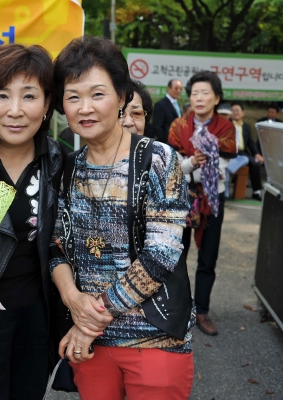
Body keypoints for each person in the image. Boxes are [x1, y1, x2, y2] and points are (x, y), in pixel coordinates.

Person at [51, 36, 193, 399]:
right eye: (73, 96)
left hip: (154, 340)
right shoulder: (66, 168)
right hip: (93, 346)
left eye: (97, 94)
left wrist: (91, 320)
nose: (85, 108)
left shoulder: (157, 159)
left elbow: (161, 253)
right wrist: (72, 301)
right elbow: (56, 248)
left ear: (122, 96)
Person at [0, 43, 64, 399]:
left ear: (48, 103)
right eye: (2, 96)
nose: (16, 111)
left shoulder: (61, 162)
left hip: (37, 316)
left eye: (29, 96)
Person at [168, 70, 236, 336]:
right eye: (194, 93)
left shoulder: (226, 128)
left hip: (213, 198)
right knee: (177, 254)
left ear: (216, 98)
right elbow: (173, 164)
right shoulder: (179, 126)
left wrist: (200, 163)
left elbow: (225, 162)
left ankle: (203, 311)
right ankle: (178, 306)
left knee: (208, 257)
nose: (199, 98)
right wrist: (192, 163)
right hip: (183, 197)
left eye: (205, 93)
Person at [230, 102, 264, 201]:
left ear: (243, 113)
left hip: (242, 152)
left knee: (256, 163)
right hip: (230, 152)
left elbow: (251, 143)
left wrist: (257, 154)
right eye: (233, 110)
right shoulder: (227, 124)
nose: (235, 113)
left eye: (237, 110)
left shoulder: (246, 126)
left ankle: (256, 191)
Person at [152, 78, 183, 143]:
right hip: (166, 143)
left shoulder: (178, 105)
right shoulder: (161, 104)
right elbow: (157, 126)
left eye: (180, 89)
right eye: (176, 88)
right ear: (169, 88)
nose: (178, 91)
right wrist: (165, 141)